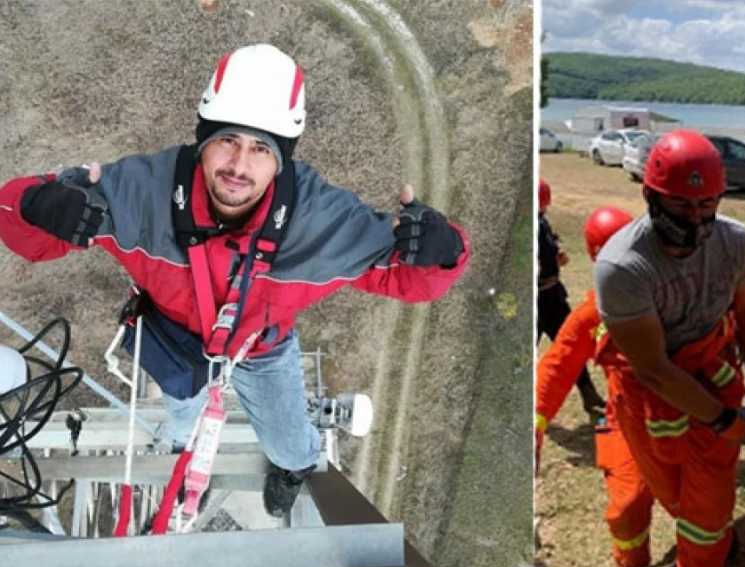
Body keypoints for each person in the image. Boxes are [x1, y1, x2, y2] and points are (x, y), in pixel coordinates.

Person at [0, 44, 469, 518]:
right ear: (203, 139)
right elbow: (22, 227)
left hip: (261, 349)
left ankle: (291, 469)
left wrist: (442, 248)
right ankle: (189, 473)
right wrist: (37, 205)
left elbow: (415, 281)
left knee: (290, 446)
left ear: (282, 159)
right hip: (176, 343)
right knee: (183, 429)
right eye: (227, 140)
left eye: (262, 149)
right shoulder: (139, 193)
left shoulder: (321, 221)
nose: (239, 166)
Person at [595, 129, 745, 567]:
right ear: (649, 195)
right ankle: (710, 536)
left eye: (707, 204)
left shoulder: (734, 242)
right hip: (650, 390)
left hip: (714, 373)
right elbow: (652, 366)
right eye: (682, 205)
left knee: (709, 495)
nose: (696, 220)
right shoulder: (622, 266)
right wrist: (720, 419)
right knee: (672, 492)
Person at [534, 205, 653, 567]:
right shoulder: (590, 315)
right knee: (627, 505)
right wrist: (534, 427)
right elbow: (556, 367)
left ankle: (712, 551)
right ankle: (632, 560)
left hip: (679, 412)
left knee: (698, 500)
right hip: (626, 419)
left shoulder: (667, 292)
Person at [536, 178, 606, 413]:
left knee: (574, 349)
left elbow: (551, 241)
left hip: (553, 297)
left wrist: (557, 253)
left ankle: (588, 394)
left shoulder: (541, 222)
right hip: (533, 302)